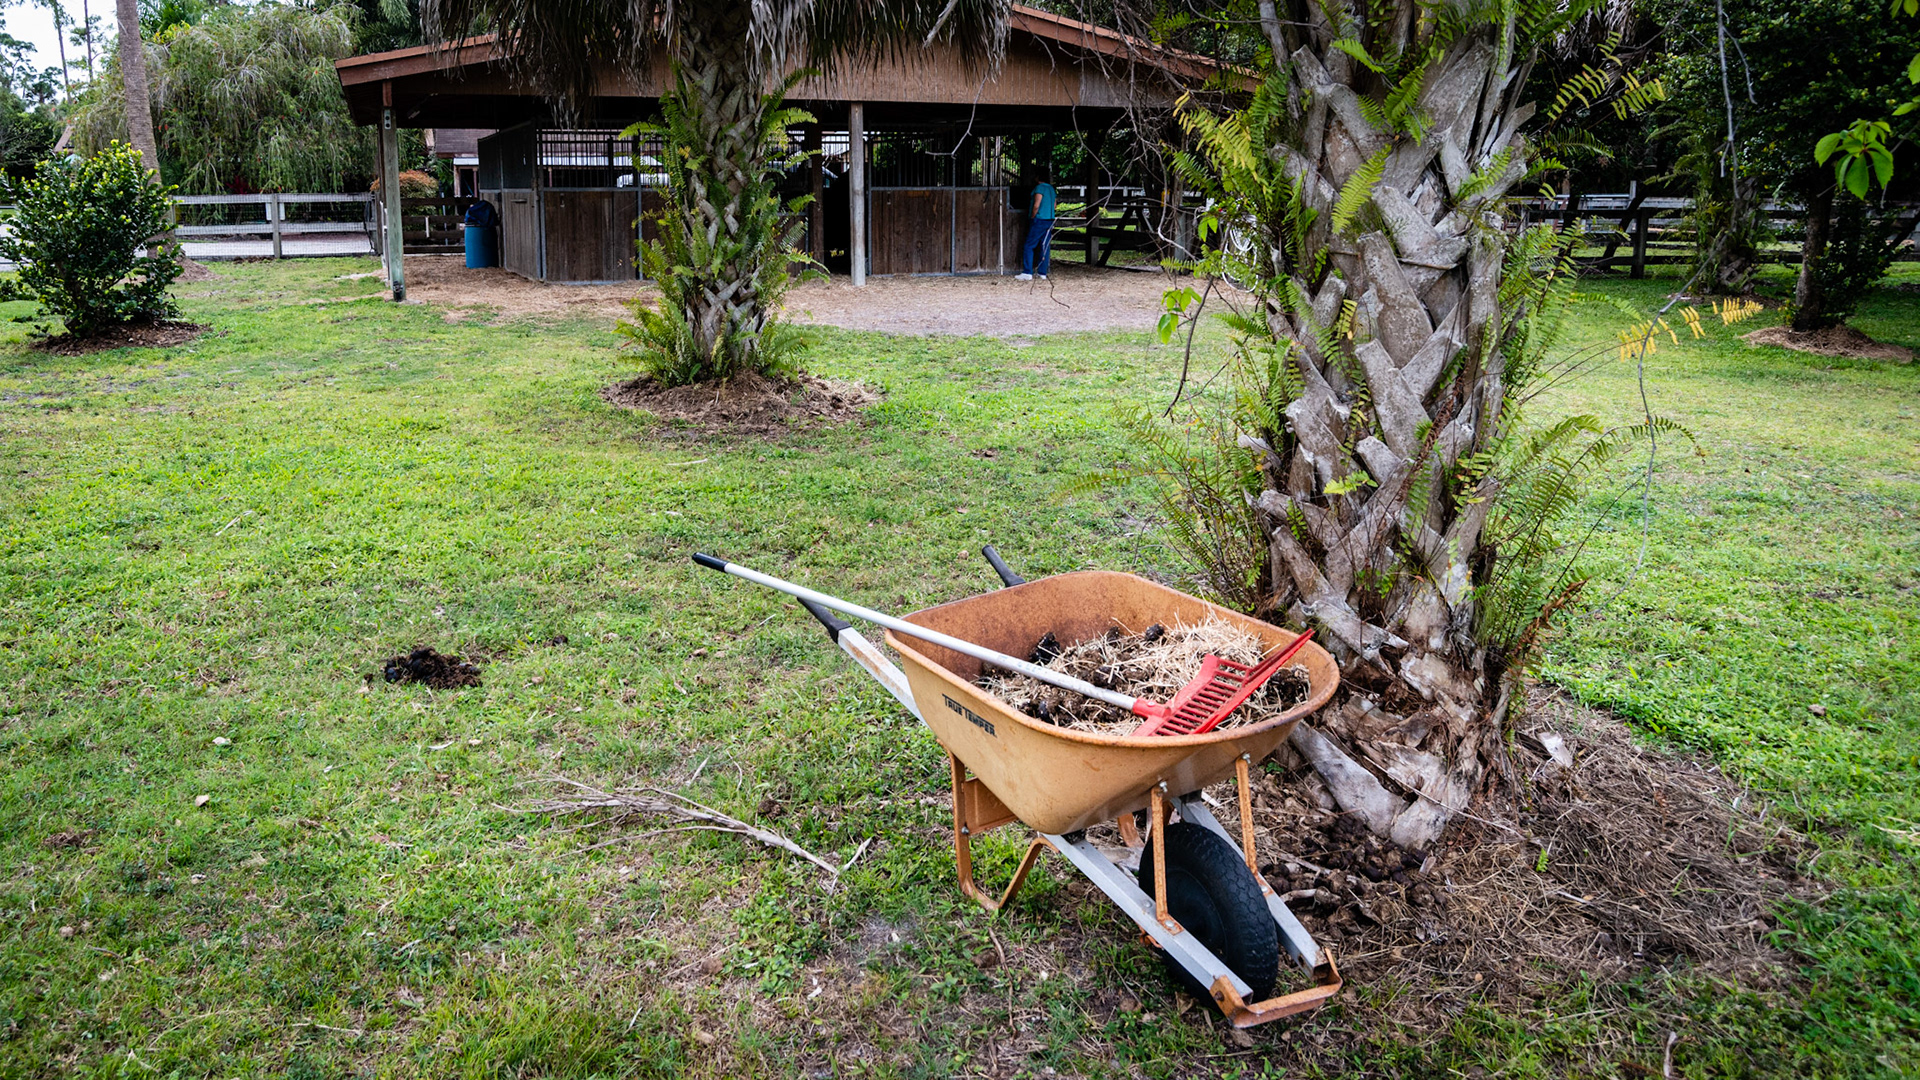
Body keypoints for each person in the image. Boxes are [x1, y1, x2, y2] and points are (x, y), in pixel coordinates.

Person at [1016, 175, 1057, 281]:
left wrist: (1033, 216)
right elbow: (1054, 206)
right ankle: (1042, 272)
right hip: (1050, 219)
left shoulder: (1039, 188)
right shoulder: (1051, 189)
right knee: (1044, 246)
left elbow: (1036, 205)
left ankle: (1027, 272)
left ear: (1037, 178)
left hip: (1039, 219)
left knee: (1029, 245)